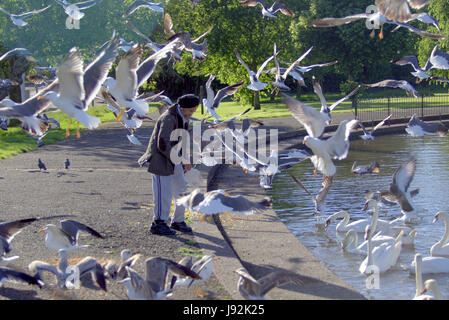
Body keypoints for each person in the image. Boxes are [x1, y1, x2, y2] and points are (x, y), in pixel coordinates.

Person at [138, 94, 199, 235]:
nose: (191, 113)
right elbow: (162, 143)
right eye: (190, 110)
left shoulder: (183, 117)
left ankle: (178, 221)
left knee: (182, 190)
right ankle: (158, 223)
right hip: (160, 161)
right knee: (163, 194)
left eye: (193, 111)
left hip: (174, 160)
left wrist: (185, 159)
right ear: (182, 108)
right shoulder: (169, 118)